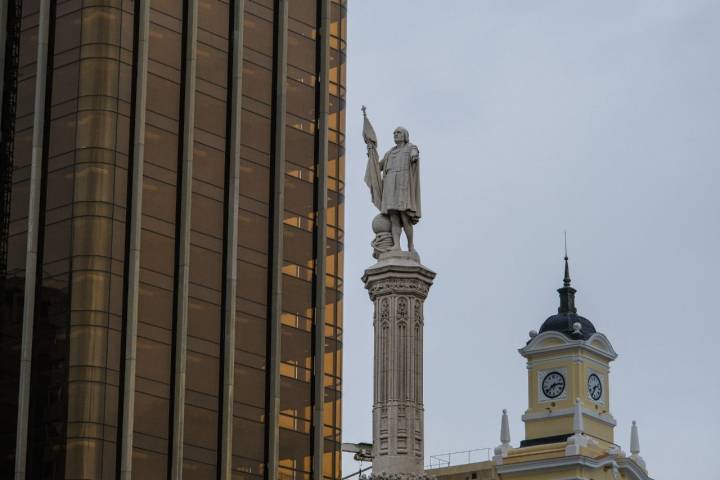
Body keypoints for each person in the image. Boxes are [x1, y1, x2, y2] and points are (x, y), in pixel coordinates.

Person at [379, 127, 421, 252]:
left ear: (405, 135)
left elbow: (415, 154)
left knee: (404, 216)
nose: (395, 135)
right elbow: (378, 167)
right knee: (394, 216)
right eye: (394, 133)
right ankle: (396, 245)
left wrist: (414, 155)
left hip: (403, 184)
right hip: (390, 184)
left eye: (398, 133)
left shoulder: (411, 148)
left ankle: (410, 245)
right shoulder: (390, 153)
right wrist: (371, 153)